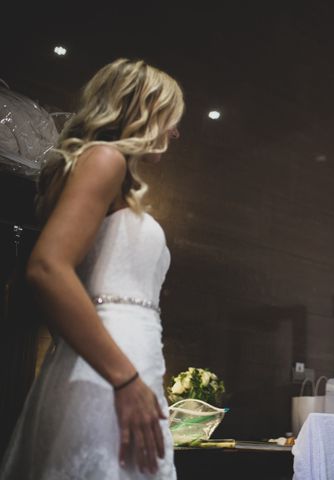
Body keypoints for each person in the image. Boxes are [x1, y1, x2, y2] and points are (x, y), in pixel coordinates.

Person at [0, 58, 184, 479]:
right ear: (140, 108)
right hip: (109, 376)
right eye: (170, 116)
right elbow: (46, 268)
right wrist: (124, 378)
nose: (175, 131)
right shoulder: (105, 159)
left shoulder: (104, 173)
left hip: (111, 367)